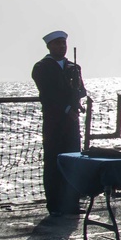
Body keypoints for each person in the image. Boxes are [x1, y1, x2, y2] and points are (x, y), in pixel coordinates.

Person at [31, 30, 87, 216]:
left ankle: (71, 202)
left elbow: (82, 91)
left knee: (73, 160)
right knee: (54, 162)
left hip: (71, 123)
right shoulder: (41, 67)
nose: (61, 47)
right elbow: (48, 95)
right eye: (57, 44)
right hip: (54, 123)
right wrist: (66, 108)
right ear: (49, 46)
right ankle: (54, 204)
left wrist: (76, 95)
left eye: (63, 43)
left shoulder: (73, 67)